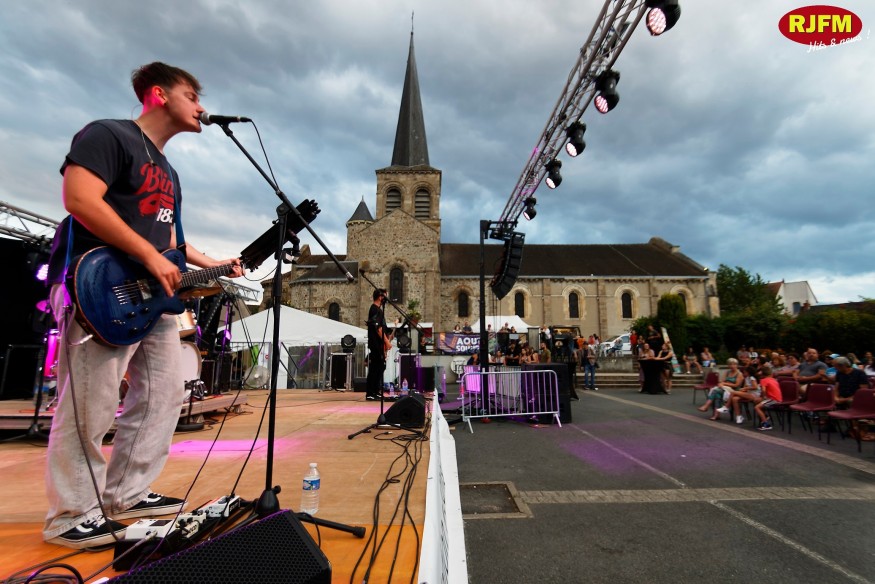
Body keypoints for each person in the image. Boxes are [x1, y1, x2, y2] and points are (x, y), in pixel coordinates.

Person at [42, 63, 244, 549]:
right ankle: (71, 514)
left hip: (149, 298)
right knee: (91, 402)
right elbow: (79, 198)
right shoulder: (108, 135)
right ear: (158, 94)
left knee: (165, 392)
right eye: (192, 95)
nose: (201, 107)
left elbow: (171, 242)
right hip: (97, 287)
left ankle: (126, 494)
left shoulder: (169, 173)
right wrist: (148, 255)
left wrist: (215, 264)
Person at [366, 288, 392, 400]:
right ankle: (370, 393)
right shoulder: (374, 309)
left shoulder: (379, 310)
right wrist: (387, 342)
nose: (386, 299)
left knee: (380, 367)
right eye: (385, 296)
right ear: (380, 297)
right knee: (375, 368)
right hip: (376, 344)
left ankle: (376, 391)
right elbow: (378, 329)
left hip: (379, 344)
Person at [753, 365, 782, 430]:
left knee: (757, 407)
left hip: (773, 399)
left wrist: (762, 397)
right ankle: (764, 415)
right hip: (776, 398)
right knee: (756, 401)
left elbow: (763, 390)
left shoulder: (763, 380)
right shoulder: (773, 379)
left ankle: (766, 424)